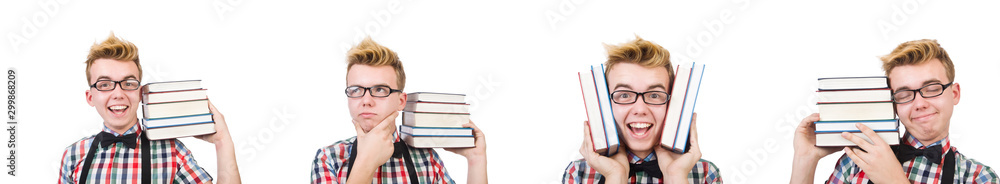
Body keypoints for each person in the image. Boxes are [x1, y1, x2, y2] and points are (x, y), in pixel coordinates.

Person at [790, 39, 998, 184]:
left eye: (932, 88)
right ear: (893, 105)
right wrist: (804, 158)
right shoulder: (857, 161)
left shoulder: (979, 177)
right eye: (905, 94)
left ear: (954, 94)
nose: (920, 103)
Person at [58, 33, 242, 184]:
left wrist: (223, 142)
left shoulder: (172, 151)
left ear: (141, 94)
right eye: (105, 85)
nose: (118, 93)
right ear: (90, 97)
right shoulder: (73, 155)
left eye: (128, 83)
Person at [310, 37, 488, 184]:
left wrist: (476, 159)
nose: (366, 101)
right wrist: (366, 162)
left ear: (401, 101)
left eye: (380, 90)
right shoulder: (329, 158)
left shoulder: (426, 159)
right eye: (356, 90)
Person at [563, 36, 722, 184]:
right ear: (603, 104)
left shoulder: (707, 174)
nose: (640, 109)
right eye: (624, 94)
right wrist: (615, 175)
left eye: (654, 95)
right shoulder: (578, 173)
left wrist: (676, 176)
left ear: (673, 104)